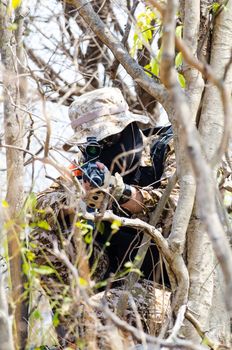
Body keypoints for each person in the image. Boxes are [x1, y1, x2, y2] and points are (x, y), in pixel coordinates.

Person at [30, 87, 175, 348]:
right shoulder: (87, 164)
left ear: (127, 127)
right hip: (110, 278)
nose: (102, 150)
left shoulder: (163, 149)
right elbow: (40, 207)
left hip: (165, 286)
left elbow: (175, 204)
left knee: (94, 317)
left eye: (107, 140)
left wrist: (121, 192)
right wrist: (76, 196)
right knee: (43, 235)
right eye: (93, 144)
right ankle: (71, 328)